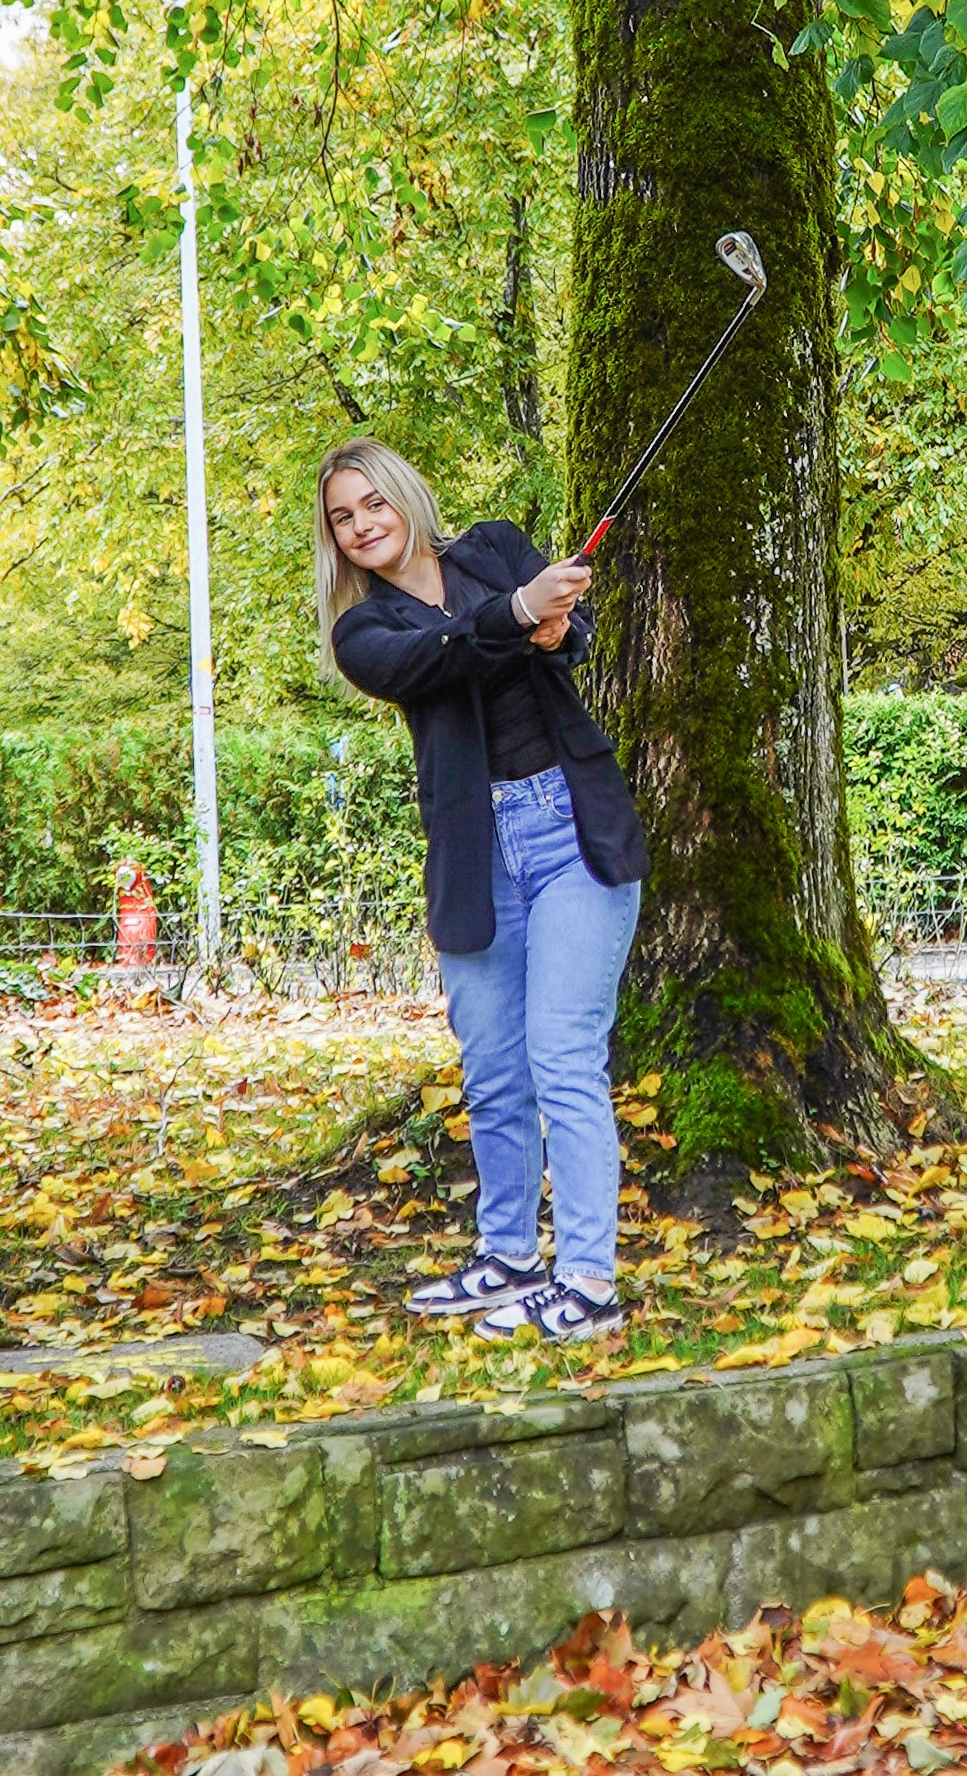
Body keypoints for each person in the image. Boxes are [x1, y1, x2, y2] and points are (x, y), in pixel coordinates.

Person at [319, 436, 650, 1340]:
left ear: (404, 497)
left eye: (373, 503)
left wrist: (555, 627)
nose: (362, 525)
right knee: (496, 1072)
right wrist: (516, 613)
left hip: (570, 829)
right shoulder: (363, 634)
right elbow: (438, 657)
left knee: (563, 1056)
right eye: (343, 518)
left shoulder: (495, 547)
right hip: (476, 857)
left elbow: (572, 641)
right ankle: (507, 1259)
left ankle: (587, 1281)